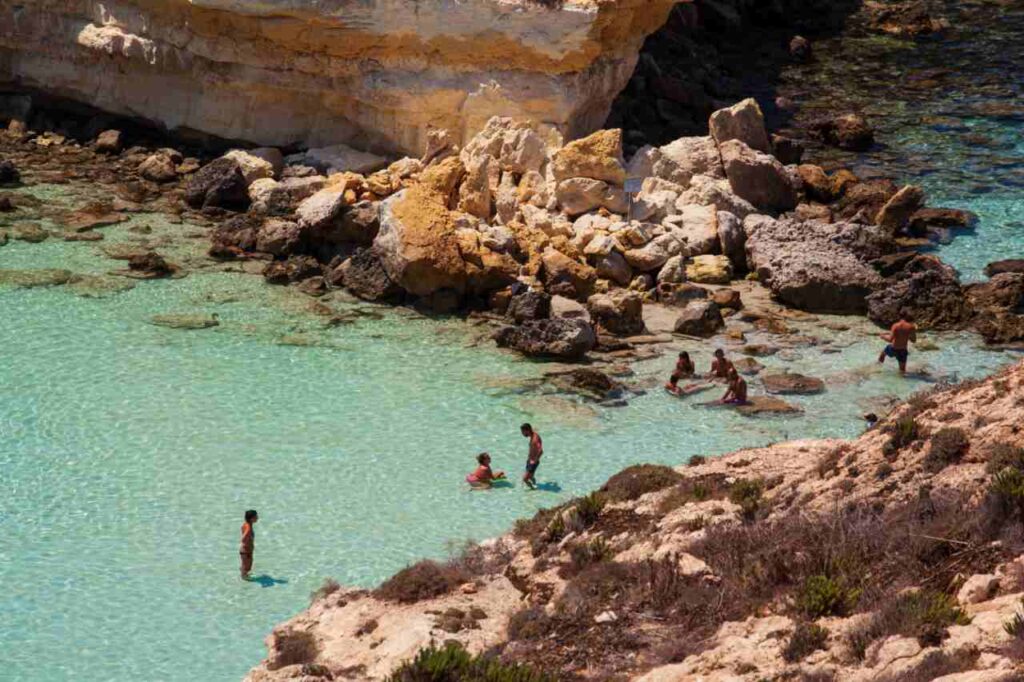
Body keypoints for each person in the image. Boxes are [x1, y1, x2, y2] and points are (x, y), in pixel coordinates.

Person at [521, 423, 543, 490]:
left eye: (523, 432)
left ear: (527, 430)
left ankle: (533, 489)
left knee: (524, 479)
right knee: (530, 477)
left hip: (532, 462)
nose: (522, 434)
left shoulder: (535, 439)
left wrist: (535, 460)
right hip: (530, 460)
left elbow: (541, 450)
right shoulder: (532, 434)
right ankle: (534, 483)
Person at [240, 509, 258, 580]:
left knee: (247, 564)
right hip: (246, 551)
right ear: (251, 519)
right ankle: (244, 576)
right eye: (256, 517)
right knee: (247, 565)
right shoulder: (249, 528)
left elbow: (242, 529)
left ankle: (243, 572)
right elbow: (243, 538)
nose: (257, 518)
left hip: (246, 550)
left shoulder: (245, 524)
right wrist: (246, 544)